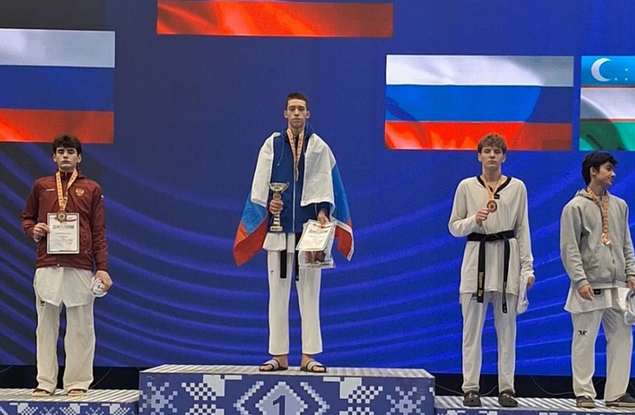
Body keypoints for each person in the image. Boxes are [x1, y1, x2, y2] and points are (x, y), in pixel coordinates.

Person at [233, 92, 353, 373]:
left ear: (308, 114)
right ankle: (279, 356)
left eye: (301, 109)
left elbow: (328, 185)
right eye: (292, 109)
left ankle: (309, 356)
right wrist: (271, 203)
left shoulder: (319, 147)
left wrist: (323, 210)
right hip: (278, 232)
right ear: (285, 113)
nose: (297, 113)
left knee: (310, 295)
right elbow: (259, 187)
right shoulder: (272, 145)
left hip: (309, 234)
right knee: (277, 295)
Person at [448, 133, 535, 408]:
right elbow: (454, 227)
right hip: (476, 262)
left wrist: (527, 268)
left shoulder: (517, 187)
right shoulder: (466, 186)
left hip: (507, 263)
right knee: (471, 332)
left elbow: (522, 228)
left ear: (504, 157)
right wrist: (474, 220)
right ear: (479, 156)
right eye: (487, 151)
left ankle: (507, 389)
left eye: (497, 152)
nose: (492, 156)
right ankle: (470, 388)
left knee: (507, 332)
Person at [21, 134, 112, 396]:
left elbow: (98, 231)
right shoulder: (41, 186)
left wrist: (102, 268)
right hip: (48, 263)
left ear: (79, 158)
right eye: (61, 151)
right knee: (45, 326)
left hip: (80, 264)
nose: (65, 156)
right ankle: (45, 382)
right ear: (54, 157)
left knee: (81, 326)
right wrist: (33, 230)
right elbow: (27, 218)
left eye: (70, 152)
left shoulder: (92, 188)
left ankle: (77, 382)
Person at [560, 151, 635, 408]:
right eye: (607, 168)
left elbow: (626, 243)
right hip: (589, 286)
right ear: (593, 171)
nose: (613, 174)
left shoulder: (620, 206)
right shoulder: (574, 207)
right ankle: (584, 393)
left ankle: (616, 394)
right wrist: (580, 280)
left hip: (617, 287)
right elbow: (569, 248)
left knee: (623, 338)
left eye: (612, 169)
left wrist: (631, 274)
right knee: (584, 339)